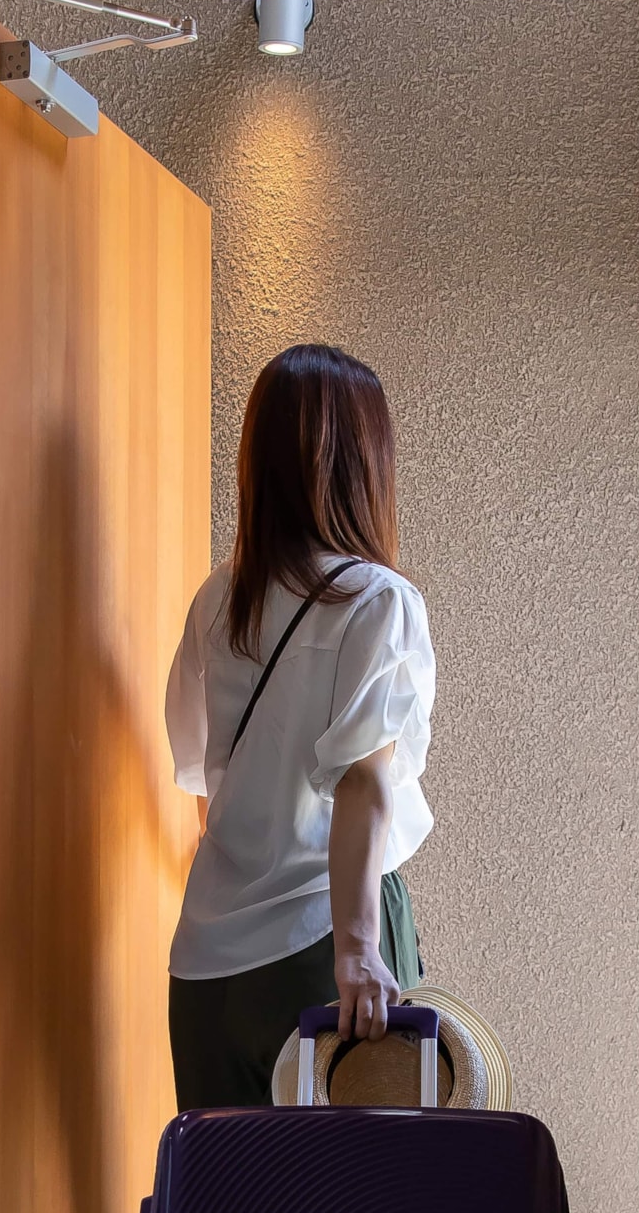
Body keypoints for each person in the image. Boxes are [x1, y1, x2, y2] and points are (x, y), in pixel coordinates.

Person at [163, 343, 437, 1110]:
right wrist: (357, 949)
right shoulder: (377, 602)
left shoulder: (217, 600)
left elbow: (194, 769)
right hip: (322, 944)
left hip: (207, 963)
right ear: (363, 461)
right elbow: (365, 779)